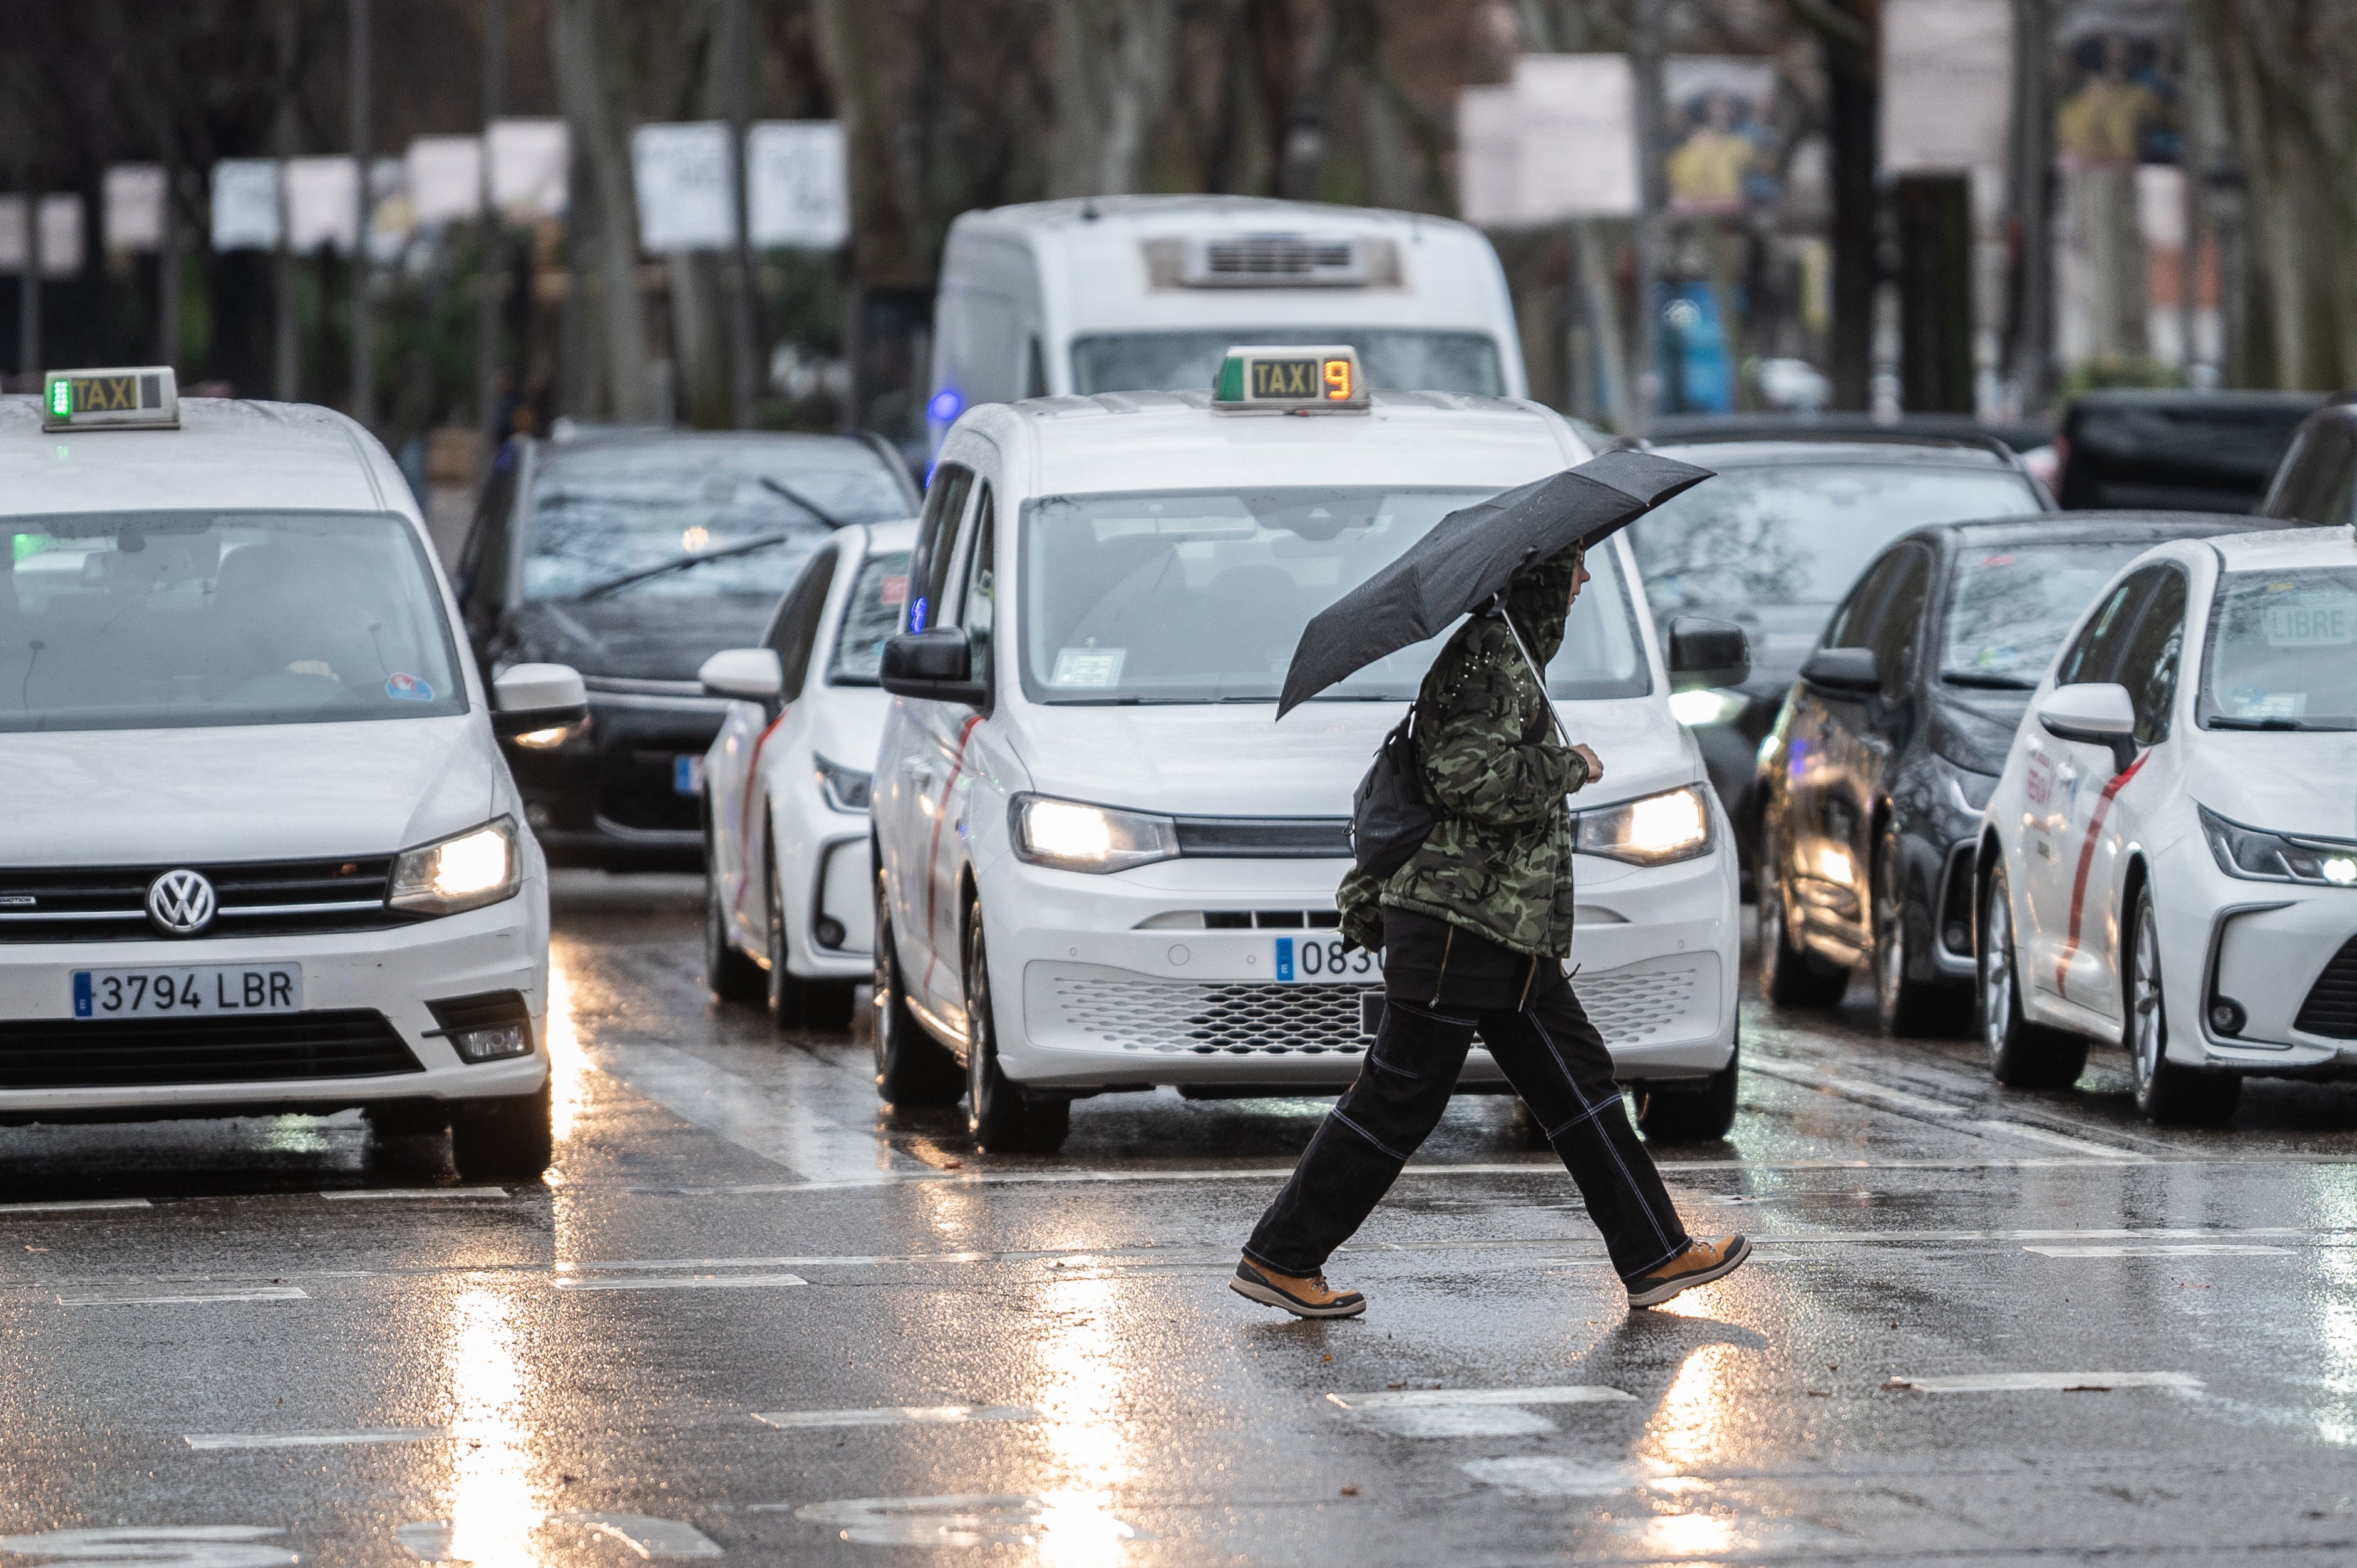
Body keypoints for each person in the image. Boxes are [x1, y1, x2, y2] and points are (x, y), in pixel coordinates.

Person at [1234, 540, 1748, 1318]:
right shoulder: (1488, 658)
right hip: (1455, 919)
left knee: (1580, 1087)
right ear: (1538, 575)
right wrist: (1567, 766)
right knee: (1399, 1095)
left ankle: (1654, 1253)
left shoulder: (1512, 655)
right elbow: (1468, 778)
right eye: (1573, 566)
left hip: (1502, 927)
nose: (1581, 580)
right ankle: (1281, 1254)